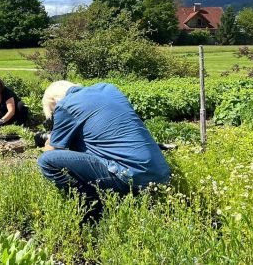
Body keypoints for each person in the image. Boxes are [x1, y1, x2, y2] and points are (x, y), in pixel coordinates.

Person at [37, 81, 171, 222]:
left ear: (54, 101)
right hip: (161, 175)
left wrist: (49, 141)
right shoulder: (108, 89)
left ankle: (94, 210)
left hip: (131, 177)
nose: (55, 119)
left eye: (53, 114)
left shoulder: (65, 105)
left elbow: (53, 150)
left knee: (47, 161)